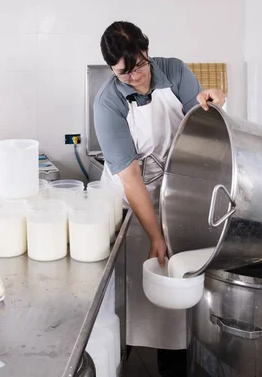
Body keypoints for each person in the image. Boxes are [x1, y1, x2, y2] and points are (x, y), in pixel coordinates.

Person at [93, 21, 226, 376]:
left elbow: (200, 126)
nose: (134, 76)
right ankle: (119, 360)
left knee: (172, 299)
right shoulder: (108, 103)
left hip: (173, 197)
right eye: (123, 73)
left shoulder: (174, 70)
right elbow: (132, 178)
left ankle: (173, 364)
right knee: (127, 298)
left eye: (138, 65)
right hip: (128, 207)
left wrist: (205, 104)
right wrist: (154, 234)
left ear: (145, 50)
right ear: (112, 70)